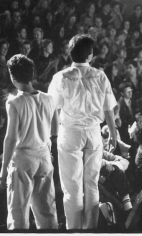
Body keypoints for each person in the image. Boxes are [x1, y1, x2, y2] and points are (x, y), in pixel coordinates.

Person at [48, 34, 118, 230]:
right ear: (90, 54)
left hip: (70, 132)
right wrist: (112, 133)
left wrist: (53, 136)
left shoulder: (60, 77)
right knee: (91, 184)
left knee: (72, 188)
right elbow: (108, 109)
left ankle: (74, 230)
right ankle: (90, 230)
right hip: (93, 133)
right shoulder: (100, 75)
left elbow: (53, 110)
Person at [0, 55, 58, 230]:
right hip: (44, 157)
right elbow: (55, 132)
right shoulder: (49, 99)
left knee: (18, 214)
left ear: (12, 76)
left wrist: (2, 173)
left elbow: (10, 139)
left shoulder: (14, 103)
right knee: (47, 212)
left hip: (23, 159)